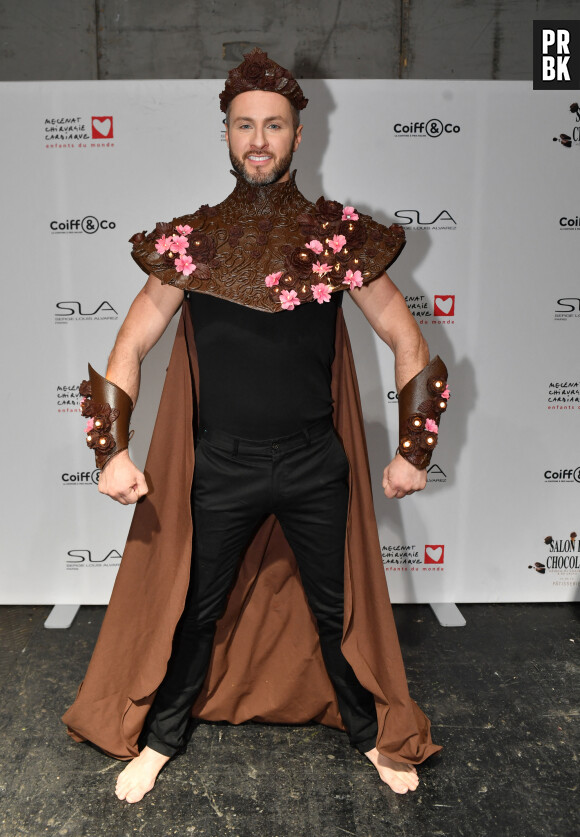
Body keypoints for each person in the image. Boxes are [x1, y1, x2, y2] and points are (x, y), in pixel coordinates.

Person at [63, 48, 449, 804]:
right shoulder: (190, 243)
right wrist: (110, 452)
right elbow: (130, 342)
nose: (259, 138)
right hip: (222, 465)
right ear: (228, 135)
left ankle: (370, 733)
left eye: (274, 124)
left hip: (314, 462)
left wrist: (414, 450)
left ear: (300, 136)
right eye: (245, 125)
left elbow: (410, 344)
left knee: (337, 609)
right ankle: (163, 737)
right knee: (194, 609)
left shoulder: (340, 240)